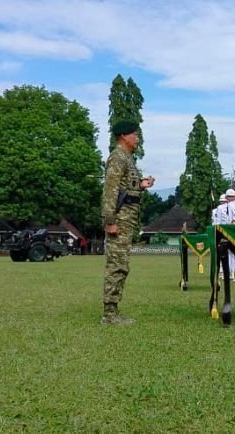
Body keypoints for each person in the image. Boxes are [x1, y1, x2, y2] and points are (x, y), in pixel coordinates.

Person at [101, 120, 155, 325]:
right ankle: (109, 315)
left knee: (122, 265)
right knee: (117, 266)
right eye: (135, 134)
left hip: (127, 219)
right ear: (124, 135)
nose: (138, 138)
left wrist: (141, 185)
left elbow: (126, 187)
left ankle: (113, 311)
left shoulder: (127, 158)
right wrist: (110, 220)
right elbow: (110, 190)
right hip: (119, 219)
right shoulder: (118, 157)